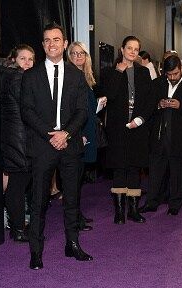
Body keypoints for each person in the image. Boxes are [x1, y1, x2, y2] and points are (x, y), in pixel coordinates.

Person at [21, 22, 92, 269]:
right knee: (39, 200)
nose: (52, 44)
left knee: (72, 197)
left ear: (64, 43)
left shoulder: (76, 75)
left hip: (70, 145)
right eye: (47, 40)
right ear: (43, 45)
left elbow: (83, 111)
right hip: (42, 145)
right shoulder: (30, 76)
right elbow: (27, 111)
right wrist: (51, 134)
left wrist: (67, 134)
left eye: (56, 39)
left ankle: (72, 244)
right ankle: (36, 251)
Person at [99, 36, 153, 224]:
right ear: (121, 50)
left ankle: (133, 211)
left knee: (134, 168)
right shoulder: (108, 72)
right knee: (119, 168)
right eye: (129, 48)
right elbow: (109, 96)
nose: (132, 51)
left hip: (137, 127)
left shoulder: (144, 73)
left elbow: (149, 101)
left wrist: (140, 119)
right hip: (117, 128)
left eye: (136, 49)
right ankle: (119, 212)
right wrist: (118, 73)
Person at [140, 55, 182, 215]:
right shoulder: (157, 84)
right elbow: (147, 108)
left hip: (181, 136)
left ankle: (175, 204)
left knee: (177, 171)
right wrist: (159, 105)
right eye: (169, 74)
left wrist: (181, 106)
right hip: (159, 134)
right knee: (155, 170)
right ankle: (152, 202)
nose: (172, 77)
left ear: (181, 69)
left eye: (175, 73)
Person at [67, 41, 107, 231]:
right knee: (73, 179)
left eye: (81, 53)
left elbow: (86, 108)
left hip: (87, 130)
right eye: (74, 54)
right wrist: (78, 134)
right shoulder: (69, 77)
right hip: (78, 133)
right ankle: (74, 219)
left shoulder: (86, 77)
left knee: (79, 178)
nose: (78, 57)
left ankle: (77, 215)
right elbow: (68, 111)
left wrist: (98, 105)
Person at [0, 44, 35, 242]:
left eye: (31, 59)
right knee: (18, 184)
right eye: (23, 59)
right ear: (14, 59)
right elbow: (30, 108)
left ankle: (18, 226)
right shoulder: (18, 77)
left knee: (16, 183)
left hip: (14, 137)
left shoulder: (7, 75)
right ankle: (18, 229)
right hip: (20, 138)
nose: (27, 63)